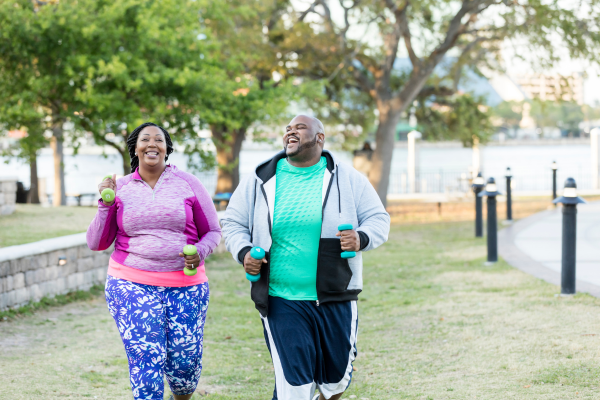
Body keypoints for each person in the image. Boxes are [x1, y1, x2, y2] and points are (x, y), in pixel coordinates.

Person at [221, 115, 390, 400]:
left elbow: (378, 219)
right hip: (281, 298)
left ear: (319, 138)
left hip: (336, 294)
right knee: (294, 387)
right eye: (287, 128)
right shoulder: (261, 178)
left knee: (335, 382)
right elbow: (233, 222)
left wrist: (361, 238)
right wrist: (244, 251)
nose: (290, 132)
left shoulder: (346, 177)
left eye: (299, 128)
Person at [86, 122, 222, 400]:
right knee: (146, 364)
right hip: (130, 283)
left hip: (186, 286)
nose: (152, 144)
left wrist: (201, 251)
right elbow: (97, 242)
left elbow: (213, 231)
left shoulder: (188, 183)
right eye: (145, 139)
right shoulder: (120, 187)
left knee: (184, 368)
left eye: (158, 140)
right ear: (135, 148)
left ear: (167, 149)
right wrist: (105, 203)